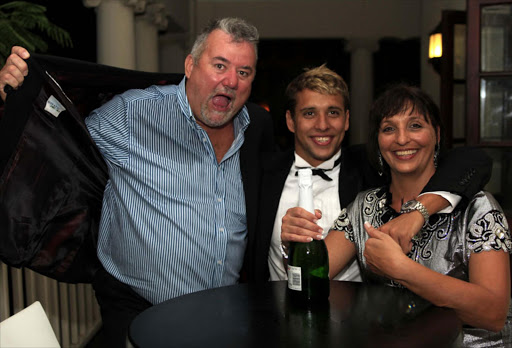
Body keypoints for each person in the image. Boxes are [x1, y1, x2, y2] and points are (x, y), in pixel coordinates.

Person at [0, 17, 275, 347]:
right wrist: (13, 99)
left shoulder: (256, 126)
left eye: (243, 72)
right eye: (220, 65)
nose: (231, 80)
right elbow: (57, 140)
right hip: (140, 312)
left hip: (222, 315)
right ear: (190, 65)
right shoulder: (133, 115)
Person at [281, 83, 511, 347]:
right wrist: (294, 244)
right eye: (389, 128)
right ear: (378, 142)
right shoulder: (364, 207)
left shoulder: (477, 208)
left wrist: (403, 270)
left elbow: (493, 314)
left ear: (436, 134)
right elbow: (312, 280)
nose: (402, 139)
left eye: (415, 126)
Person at [247, 65, 493, 283]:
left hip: (356, 322)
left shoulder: (370, 164)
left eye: (333, 112)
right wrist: (289, 247)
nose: (322, 124)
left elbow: (473, 160)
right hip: (278, 312)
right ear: (291, 121)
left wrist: (419, 211)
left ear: (346, 120)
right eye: (309, 113)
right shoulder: (261, 172)